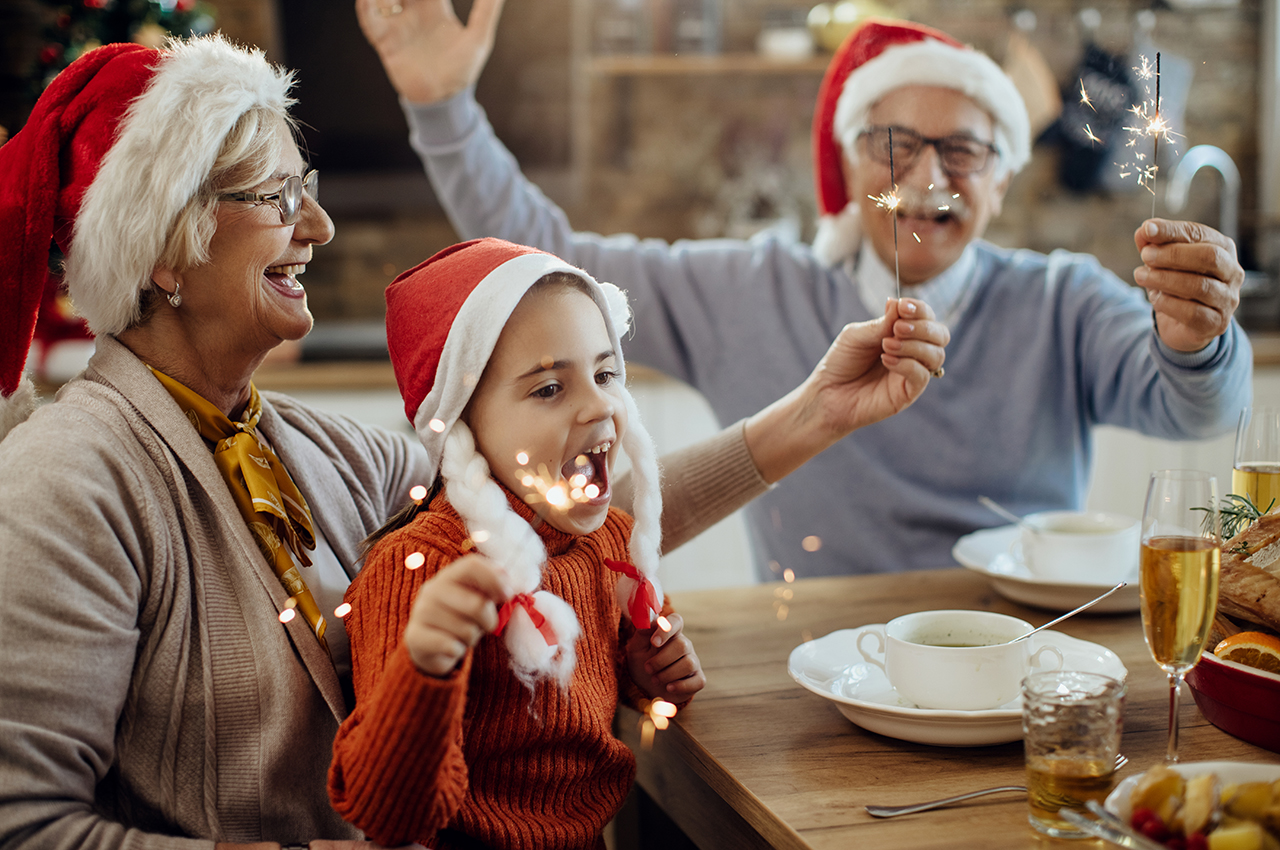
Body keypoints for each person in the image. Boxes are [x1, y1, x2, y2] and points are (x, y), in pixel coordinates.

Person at [0, 35, 946, 850]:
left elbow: (557, 517)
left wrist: (815, 414)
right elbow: (24, 825)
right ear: (161, 246)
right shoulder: (66, 484)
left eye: (310, 189)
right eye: (277, 194)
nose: (320, 227)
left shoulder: (329, 456)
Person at [357, 0, 1254, 578]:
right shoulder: (749, 286)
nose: (927, 177)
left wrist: (1195, 339)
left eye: (964, 151)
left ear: (1004, 178)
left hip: (1020, 649)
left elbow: (1196, 412)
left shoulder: (1064, 301)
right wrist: (445, 111)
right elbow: (547, 253)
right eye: (894, 144)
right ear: (849, 161)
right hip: (809, 661)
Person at [328, 238, 705, 850]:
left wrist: (643, 674)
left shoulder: (605, 542)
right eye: (549, 389)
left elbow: (571, 712)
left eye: (606, 373)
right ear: (463, 424)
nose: (601, 405)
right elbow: (387, 816)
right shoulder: (420, 572)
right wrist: (424, 667)